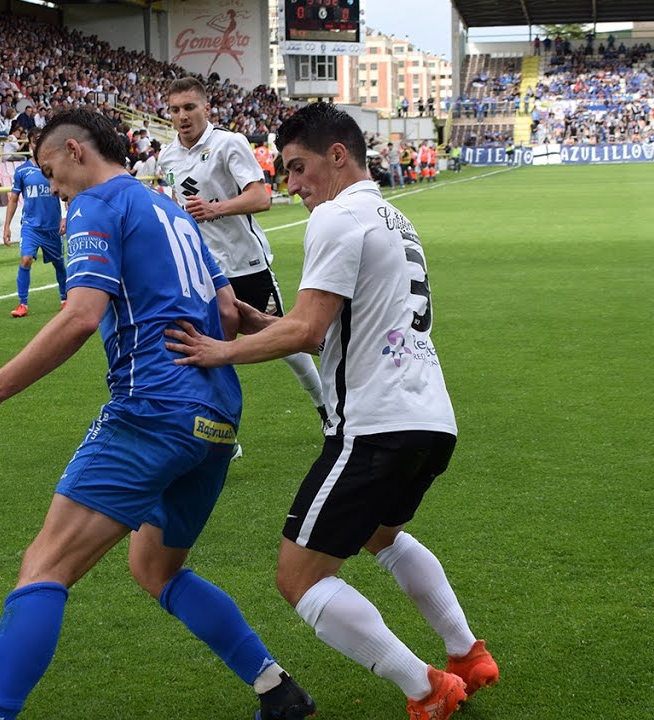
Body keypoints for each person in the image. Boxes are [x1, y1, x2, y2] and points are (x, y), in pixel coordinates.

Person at [0, 108, 316, 720]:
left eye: (51, 174)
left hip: (152, 408)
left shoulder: (96, 205)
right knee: (154, 567)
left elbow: (80, 314)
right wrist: (296, 332)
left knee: (44, 565)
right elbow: (232, 314)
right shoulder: (172, 211)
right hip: (216, 419)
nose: (51, 190)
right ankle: (276, 691)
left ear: (76, 152)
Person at [164, 103, 499, 720]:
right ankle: (466, 654)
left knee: (298, 579)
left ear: (337, 155)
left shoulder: (337, 217)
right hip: (429, 418)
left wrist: (222, 350)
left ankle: (426, 689)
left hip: (373, 425)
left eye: (296, 168)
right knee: (382, 537)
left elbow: (308, 333)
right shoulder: (393, 216)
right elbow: (326, 328)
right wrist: (260, 322)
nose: (291, 186)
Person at [158, 77, 328, 433]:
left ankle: (327, 407)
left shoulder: (228, 144)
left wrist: (215, 208)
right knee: (206, 350)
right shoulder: (167, 155)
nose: (182, 116)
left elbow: (260, 198)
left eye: (189, 107)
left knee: (288, 342)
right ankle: (218, 432)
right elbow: (178, 208)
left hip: (245, 263)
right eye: (175, 110)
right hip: (203, 270)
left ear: (206, 108)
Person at [2, 130, 67, 318]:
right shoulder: (22, 171)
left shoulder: (56, 168)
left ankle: (65, 299)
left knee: (58, 263)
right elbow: (13, 199)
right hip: (31, 226)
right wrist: (7, 226)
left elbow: (67, 193)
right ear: (30, 144)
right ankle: (23, 304)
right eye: (34, 142)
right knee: (26, 259)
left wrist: (65, 217)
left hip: (53, 227)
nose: (37, 145)